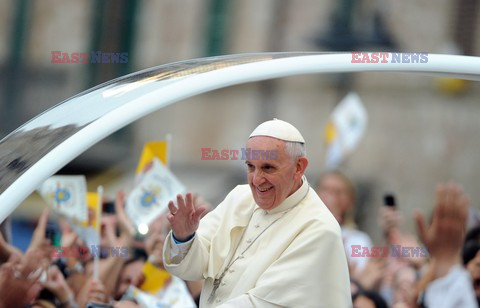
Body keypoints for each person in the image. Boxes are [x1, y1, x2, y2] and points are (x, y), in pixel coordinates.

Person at [162, 119, 351, 307]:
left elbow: (264, 302)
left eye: (268, 168)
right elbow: (195, 264)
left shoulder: (319, 228)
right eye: (251, 167)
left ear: (299, 167)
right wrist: (184, 237)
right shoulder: (239, 197)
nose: (257, 180)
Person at [316, 170, 373, 272]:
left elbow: (361, 274)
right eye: (326, 190)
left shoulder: (359, 240)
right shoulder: (304, 228)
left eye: (338, 192)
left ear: (350, 200)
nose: (331, 197)